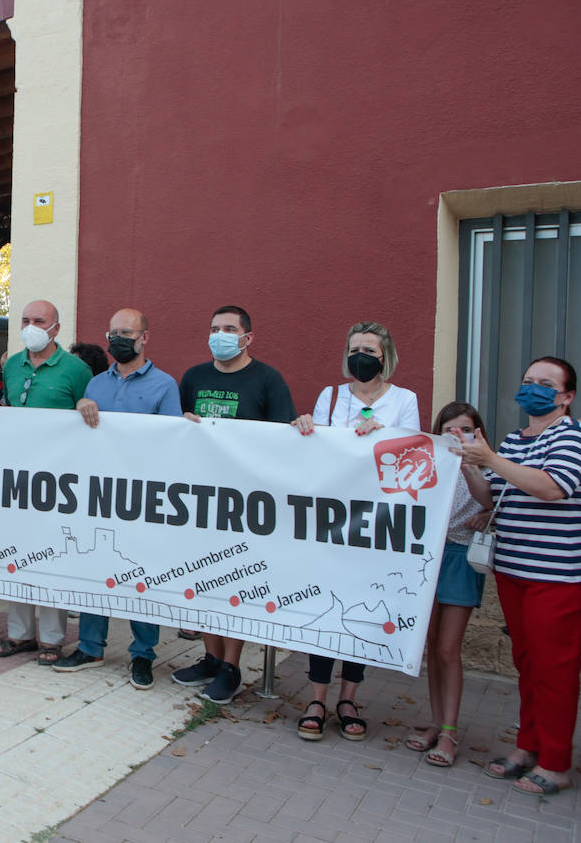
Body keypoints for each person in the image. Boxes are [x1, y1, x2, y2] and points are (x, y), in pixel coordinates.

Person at [455, 357, 581, 796]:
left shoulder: (575, 436)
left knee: (554, 669)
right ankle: (529, 747)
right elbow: (493, 495)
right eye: (528, 382)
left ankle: (556, 763)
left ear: (566, 396)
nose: (534, 389)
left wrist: (491, 459)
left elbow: (551, 487)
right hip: (517, 570)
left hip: (565, 575)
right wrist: (471, 464)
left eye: (546, 384)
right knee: (528, 663)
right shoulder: (513, 440)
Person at [290, 322, 420, 742]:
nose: (360, 355)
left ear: (386, 356)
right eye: (354, 348)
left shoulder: (404, 400)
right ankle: (317, 697)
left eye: (369, 348)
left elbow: (411, 450)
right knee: (326, 607)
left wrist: (384, 435)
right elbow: (318, 451)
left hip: (376, 521)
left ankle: (349, 697)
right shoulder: (330, 397)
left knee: (362, 610)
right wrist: (306, 427)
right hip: (332, 517)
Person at [171, 305, 296, 704]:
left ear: (247, 338)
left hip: (243, 502)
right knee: (204, 579)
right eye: (213, 328)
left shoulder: (267, 379)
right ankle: (209, 657)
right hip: (200, 497)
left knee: (236, 583)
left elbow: (281, 438)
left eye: (229, 328)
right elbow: (177, 430)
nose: (219, 334)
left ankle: (231, 666)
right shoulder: (193, 377)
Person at [54, 309, 181, 687]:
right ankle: (90, 647)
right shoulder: (95, 385)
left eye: (127, 333)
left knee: (141, 574)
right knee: (96, 567)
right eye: (113, 333)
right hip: (98, 494)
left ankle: (143, 655)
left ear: (145, 338)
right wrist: (80, 406)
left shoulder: (164, 385)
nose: (119, 340)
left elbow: (173, 441)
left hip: (143, 497)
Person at [0, 300, 91, 664]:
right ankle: (20, 634)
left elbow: (90, 414)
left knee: (52, 556)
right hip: (16, 478)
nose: (31, 326)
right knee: (16, 554)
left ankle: (52, 638)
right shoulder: (12, 365)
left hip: (58, 480)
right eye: (25, 320)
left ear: (56, 328)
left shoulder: (77, 369)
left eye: (39, 321)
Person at [399, 401, 490, 766]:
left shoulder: (484, 466)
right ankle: (438, 724)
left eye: (465, 429)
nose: (457, 435)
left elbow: (489, 498)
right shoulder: (428, 464)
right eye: (449, 429)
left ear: (477, 432)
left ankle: (450, 733)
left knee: (450, 648)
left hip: (460, 558)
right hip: (428, 558)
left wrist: (469, 464)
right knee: (433, 645)